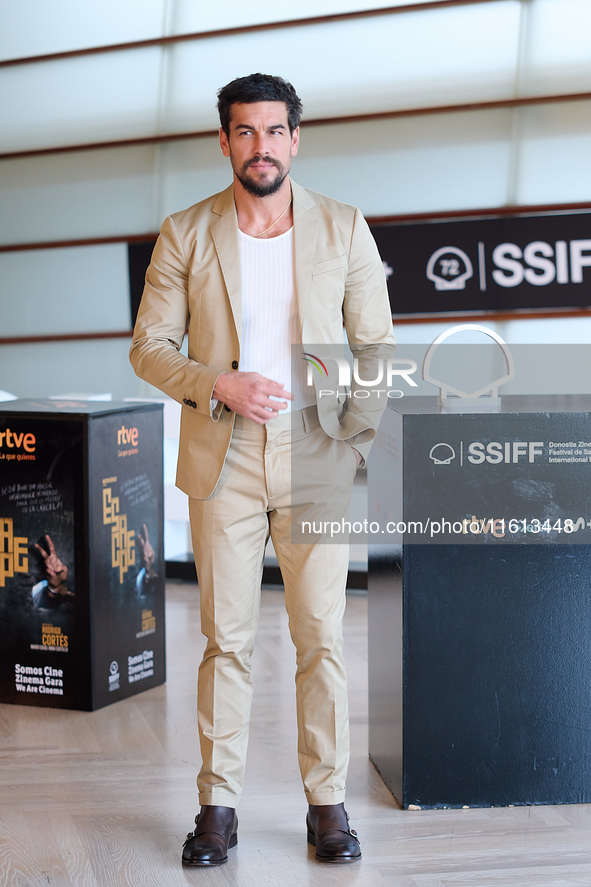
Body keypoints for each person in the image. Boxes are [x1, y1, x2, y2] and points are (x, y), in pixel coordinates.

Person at [130, 73, 396, 867]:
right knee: (227, 639)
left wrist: (351, 440)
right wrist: (218, 382)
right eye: (244, 132)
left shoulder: (343, 227)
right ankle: (218, 807)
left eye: (274, 131)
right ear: (224, 141)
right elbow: (149, 347)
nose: (260, 146)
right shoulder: (185, 232)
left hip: (316, 450)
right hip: (225, 455)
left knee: (320, 635)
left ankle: (328, 805)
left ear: (294, 137)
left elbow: (375, 346)